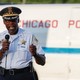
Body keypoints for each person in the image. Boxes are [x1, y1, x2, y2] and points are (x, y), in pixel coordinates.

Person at [0, 6, 46, 80]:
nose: (11, 24)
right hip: (3, 76)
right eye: (8, 21)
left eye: (13, 21)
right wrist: (2, 51)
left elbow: (42, 62)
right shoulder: (0, 36)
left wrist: (35, 54)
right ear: (4, 22)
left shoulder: (29, 36)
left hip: (23, 76)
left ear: (18, 20)